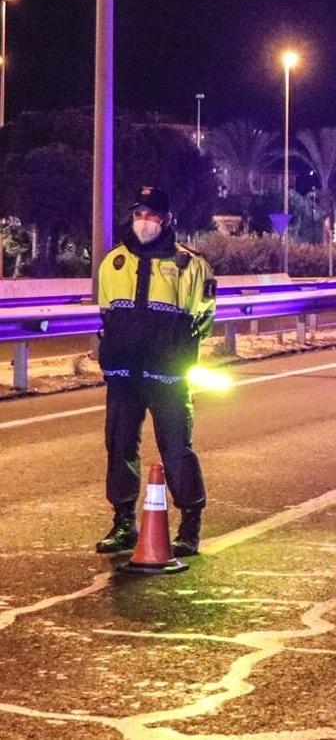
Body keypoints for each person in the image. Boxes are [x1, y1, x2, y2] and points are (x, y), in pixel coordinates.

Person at [95, 186, 217, 558]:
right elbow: (107, 314)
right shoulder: (113, 262)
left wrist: (177, 352)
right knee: (119, 448)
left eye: (152, 215)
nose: (144, 222)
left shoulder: (191, 265)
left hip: (168, 376)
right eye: (139, 214)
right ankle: (123, 523)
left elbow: (203, 319)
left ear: (166, 220)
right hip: (124, 375)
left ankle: (190, 526)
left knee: (176, 449)